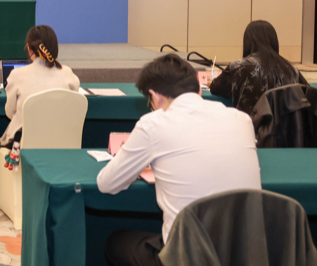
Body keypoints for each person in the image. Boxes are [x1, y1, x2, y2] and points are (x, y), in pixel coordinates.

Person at [97, 54, 261, 266]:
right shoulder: (241, 119)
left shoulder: (153, 124)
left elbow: (107, 183)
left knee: (115, 243)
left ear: (154, 96)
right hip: (245, 254)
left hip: (188, 256)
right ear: (199, 90)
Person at [0, 25, 80, 147]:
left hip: (25, 146)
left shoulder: (16, 75)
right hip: (62, 144)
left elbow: (10, 112)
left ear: (29, 49)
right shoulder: (68, 73)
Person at [209, 20, 306, 115]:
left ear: (247, 42)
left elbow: (215, 88)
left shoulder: (239, 67)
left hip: (249, 124)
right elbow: (308, 94)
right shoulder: (291, 69)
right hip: (283, 125)